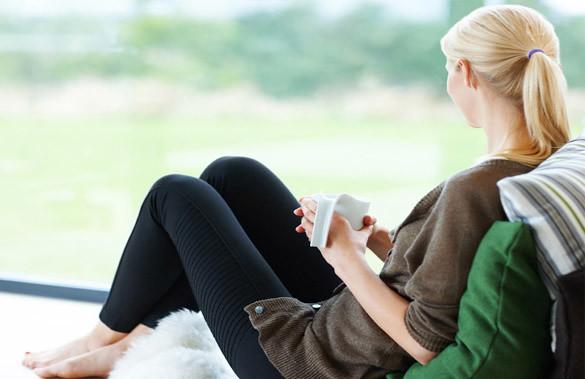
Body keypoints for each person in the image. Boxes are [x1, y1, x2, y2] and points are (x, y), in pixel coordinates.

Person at [22, 4, 571, 378]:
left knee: (176, 195)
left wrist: (344, 258)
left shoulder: (475, 187)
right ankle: (126, 339)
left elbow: (424, 341)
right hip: (349, 325)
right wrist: (382, 244)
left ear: (468, 74)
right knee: (231, 173)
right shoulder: (530, 165)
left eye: (448, 71)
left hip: (308, 360)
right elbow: (445, 279)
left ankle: (99, 340)